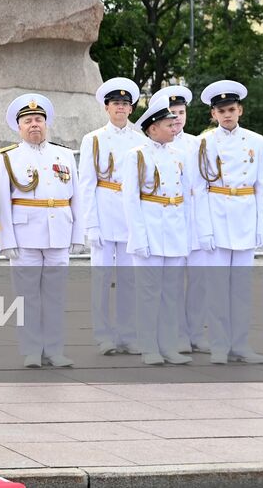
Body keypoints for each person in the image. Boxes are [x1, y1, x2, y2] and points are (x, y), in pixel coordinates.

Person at [0, 94, 85, 368]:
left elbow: (76, 198)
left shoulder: (65, 155)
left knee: (56, 295)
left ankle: (55, 350)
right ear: (18, 127)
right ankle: (32, 350)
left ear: (46, 124)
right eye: (28, 121)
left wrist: (78, 235)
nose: (34, 125)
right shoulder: (8, 158)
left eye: (38, 120)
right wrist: (5, 239)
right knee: (27, 296)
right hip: (25, 236)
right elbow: (1, 202)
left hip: (59, 231)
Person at [194, 80, 263, 364]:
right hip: (216, 217)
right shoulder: (203, 142)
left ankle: (240, 344)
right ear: (213, 115)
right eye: (221, 110)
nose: (227, 115)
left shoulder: (256, 141)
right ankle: (218, 345)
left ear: (240, 110)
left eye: (231, 109)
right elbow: (198, 190)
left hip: (245, 218)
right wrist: (204, 229)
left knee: (241, 288)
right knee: (217, 289)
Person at [122, 93, 193, 366]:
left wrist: (186, 235)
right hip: (149, 233)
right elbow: (130, 200)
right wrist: (138, 238)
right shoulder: (137, 156)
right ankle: (149, 346)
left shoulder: (178, 156)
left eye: (174, 123)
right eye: (168, 124)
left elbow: (185, 199)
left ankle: (169, 345)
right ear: (152, 128)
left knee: (171, 294)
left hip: (174, 232)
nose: (174, 128)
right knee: (149, 294)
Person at [78, 77, 146, 355]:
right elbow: (87, 184)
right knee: (102, 279)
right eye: (116, 103)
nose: (120, 108)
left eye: (125, 104)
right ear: (107, 108)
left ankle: (128, 334)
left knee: (129, 280)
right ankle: (104, 335)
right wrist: (90, 224)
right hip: (104, 214)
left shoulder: (140, 140)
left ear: (131, 109)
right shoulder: (93, 139)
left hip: (129, 218)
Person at [161, 85, 208, 352]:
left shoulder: (198, 143)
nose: (177, 118)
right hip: (172, 222)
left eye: (180, 112)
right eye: (172, 113)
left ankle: (196, 333)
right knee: (174, 282)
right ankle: (176, 333)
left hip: (197, 222)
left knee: (199, 281)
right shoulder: (157, 147)